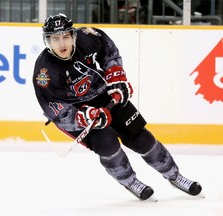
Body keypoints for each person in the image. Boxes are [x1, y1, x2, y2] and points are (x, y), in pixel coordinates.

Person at [33, 13, 202, 201]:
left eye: (65, 36)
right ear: (47, 41)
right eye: (55, 39)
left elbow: (109, 52)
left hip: (103, 94)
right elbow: (54, 108)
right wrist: (84, 117)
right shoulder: (45, 72)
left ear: (73, 35)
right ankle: (130, 181)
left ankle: (174, 176)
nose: (62, 44)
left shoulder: (88, 37)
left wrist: (116, 78)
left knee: (140, 138)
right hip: (77, 109)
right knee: (108, 144)